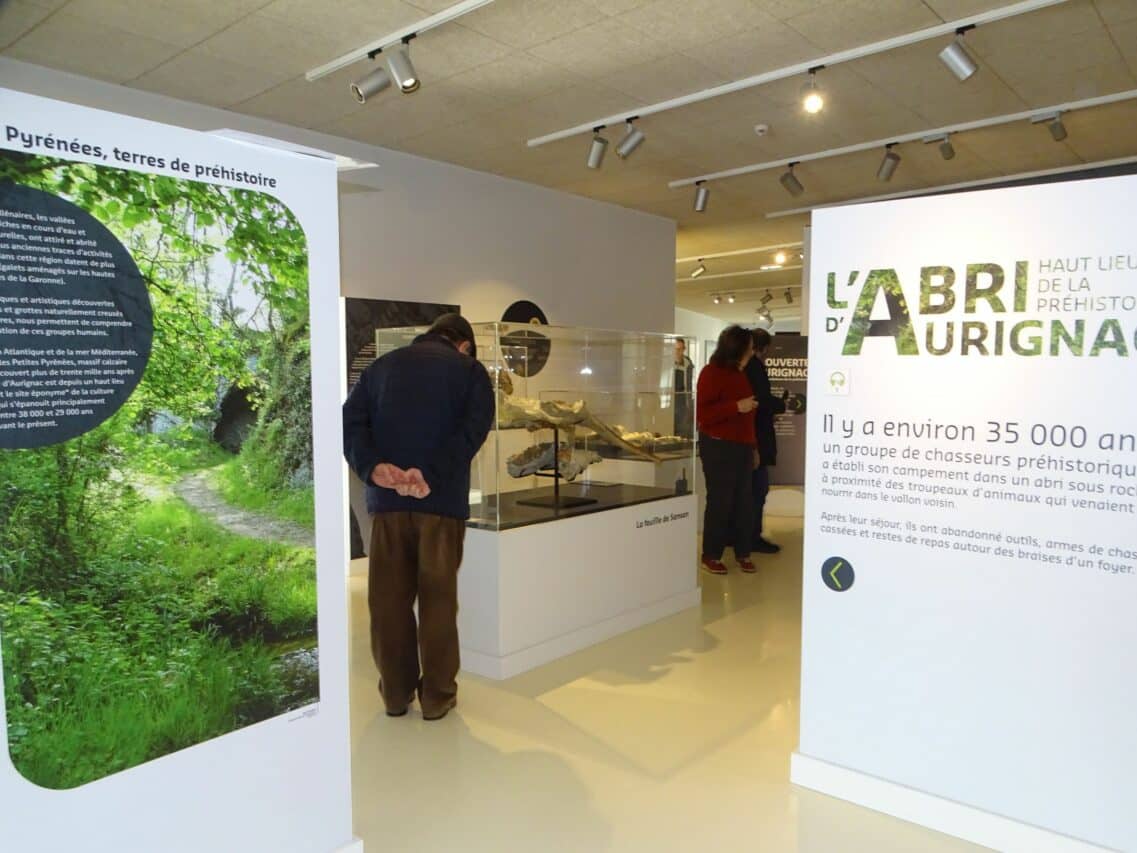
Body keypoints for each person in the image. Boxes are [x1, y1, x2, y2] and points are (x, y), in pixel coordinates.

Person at [343, 313, 494, 721]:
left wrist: (375, 468)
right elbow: (474, 430)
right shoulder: (470, 372)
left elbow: (351, 422)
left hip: (387, 505)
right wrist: (430, 473)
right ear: (463, 344)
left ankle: (395, 695)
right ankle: (437, 697)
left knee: (388, 603)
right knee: (438, 602)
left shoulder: (380, 368)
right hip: (440, 505)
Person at [696, 325, 758, 575]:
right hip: (718, 446)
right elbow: (704, 415)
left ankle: (743, 552)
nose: (753, 352)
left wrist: (754, 448)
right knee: (720, 501)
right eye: (750, 347)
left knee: (744, 501)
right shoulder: (711, 373)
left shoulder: (739, 374)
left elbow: (747, 417)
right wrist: (736, 407)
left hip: (742, 446)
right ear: (738, 348)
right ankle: (711, 554)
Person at [745, 328, 789, 555]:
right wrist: (780, 405)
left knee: (752, 490)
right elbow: (762, 400)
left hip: (751, 436)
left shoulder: (744, 368)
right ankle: (752, 537)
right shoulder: (755, 368)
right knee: (757, 490)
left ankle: (744, 536)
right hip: (757, 437)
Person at [673, 337, 695, 438]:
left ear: (684, 349)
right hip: (673, 398)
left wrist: (689, 402)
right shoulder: (669, 362)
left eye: (680, 349)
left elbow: (690, 384)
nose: (678, 352)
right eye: (676, 349)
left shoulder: (688, 363)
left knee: (684, 426)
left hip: (684, 398)